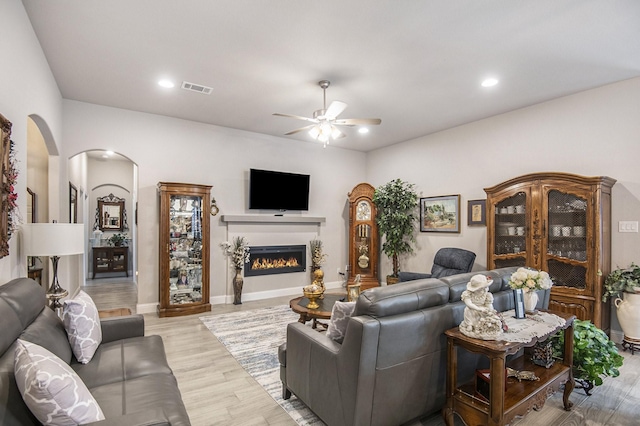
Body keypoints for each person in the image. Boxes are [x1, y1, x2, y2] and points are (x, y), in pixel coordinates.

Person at [459, 274, 503, 340]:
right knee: (468, 310)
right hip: (473, 308)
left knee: (487, 316)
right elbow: (469, 304)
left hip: (483, 309)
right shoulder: (468, 294)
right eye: (481, 288)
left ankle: (482, 327)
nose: (484, 290)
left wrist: (490, 311)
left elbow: (489, 304)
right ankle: (470, 325)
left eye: (485, 287)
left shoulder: (487, 294)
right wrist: (479, 309)